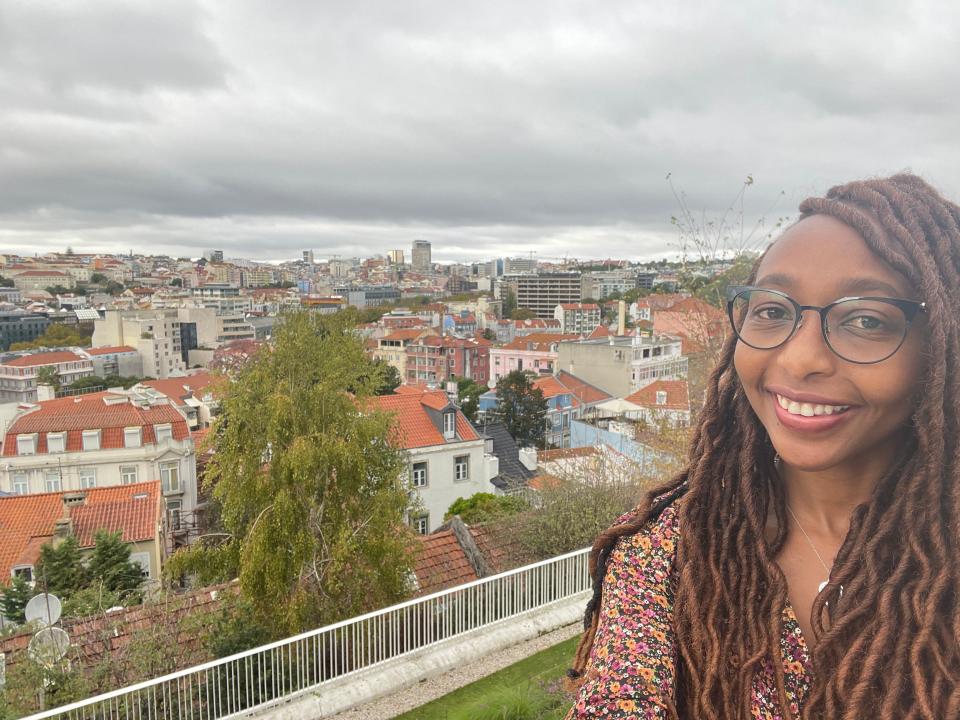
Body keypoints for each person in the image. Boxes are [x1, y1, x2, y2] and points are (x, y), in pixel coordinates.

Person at [563, 174, 960, 719]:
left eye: (865, 320)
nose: (799, 361)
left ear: (942, 350)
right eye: (773, 310)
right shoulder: (669, 554)